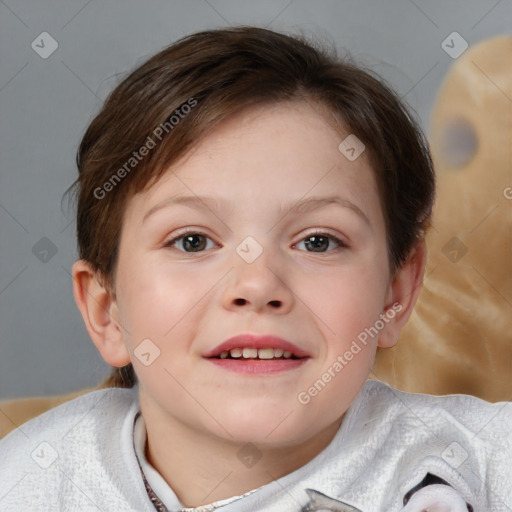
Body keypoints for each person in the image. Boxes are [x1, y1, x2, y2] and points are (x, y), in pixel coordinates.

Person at [0, 26, 510, 512]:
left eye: (317, 241)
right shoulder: (31, 482)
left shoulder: (485, 464)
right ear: (107, 310)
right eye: (192, 241)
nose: (257, 284)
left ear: (395, 293)